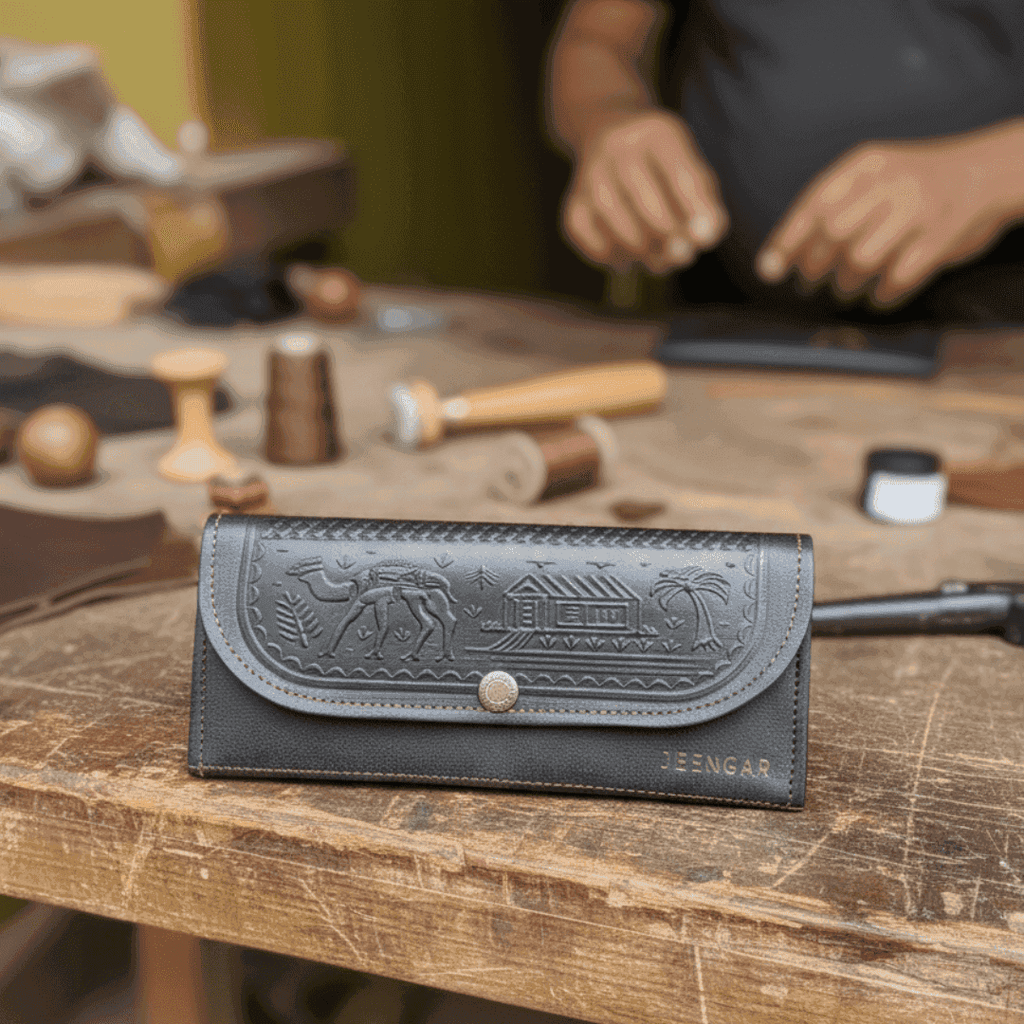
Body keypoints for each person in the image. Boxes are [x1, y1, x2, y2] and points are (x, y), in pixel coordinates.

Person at [546, 0, 1024, 322]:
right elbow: (594, 42)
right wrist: (610, 123)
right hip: (728, 328)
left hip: (997, 344)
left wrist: (990, 173)